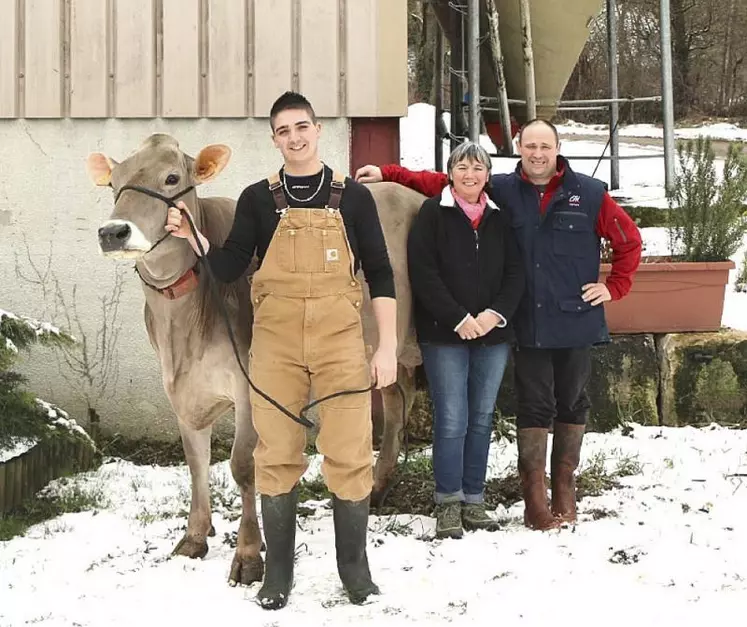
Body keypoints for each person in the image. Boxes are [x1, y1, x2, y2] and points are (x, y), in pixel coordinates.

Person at [166, 91, 398, 609]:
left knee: (350, 450)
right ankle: (278, 574)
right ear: (274, 139)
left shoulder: (352, 198)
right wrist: (192, 236)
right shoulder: (256, 199)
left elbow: (381, 274)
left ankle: (354, 572)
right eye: (282, 131)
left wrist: (386, 346)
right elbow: (227, 268)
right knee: (274, 453)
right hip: (275, 344)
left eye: (301, 127)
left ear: (317, 130)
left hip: (340, 342)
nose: (293, 138)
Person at [356, 119, 642, 531]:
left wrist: (615, 286)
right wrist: (390, 173)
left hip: (573, 318)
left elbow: (628, 239)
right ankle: (533, 498)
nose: (538, 154)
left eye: (545, 145)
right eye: (530, 146)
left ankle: (563, 487)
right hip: (527, 319)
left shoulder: (590, 194)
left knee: (573, 401)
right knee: (533, 404)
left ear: (558, 147)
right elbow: (447, 179)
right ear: (519, 149)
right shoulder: (504, 190)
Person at [408, 141, 525, 539]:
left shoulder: (500, 218)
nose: (470, 175)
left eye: (478, 168)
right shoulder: (432, 214)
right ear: (450, 172)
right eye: (462, 167)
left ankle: (474, 499)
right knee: (453, 417)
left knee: (481, 417)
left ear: (488, 175)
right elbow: (423, 273)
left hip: (493, 334)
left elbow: (516, 273)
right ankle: (448, 502)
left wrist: (494, 315)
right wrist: (458, 318)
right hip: (445, 335)